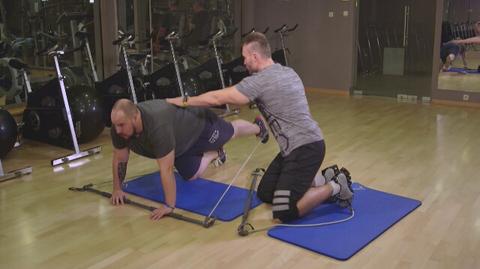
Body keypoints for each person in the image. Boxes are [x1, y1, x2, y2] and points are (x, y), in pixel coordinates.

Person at [167, 32, 353, 222]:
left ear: (255, 56)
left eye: (245, 57)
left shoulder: (260, 81)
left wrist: (183, 101)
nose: (244, 62)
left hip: (305, 149)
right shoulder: (288, 71)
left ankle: (337, 185)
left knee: (283, 212)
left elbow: (217, 98)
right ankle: (320, 179)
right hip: (298, 148)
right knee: (265, 192)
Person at [110, 98, 269, 220]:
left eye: (121, 125)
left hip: (200, 125)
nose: (117, 130)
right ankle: (216, 153)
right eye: (115, 125)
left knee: (230, 132)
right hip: (180, 144)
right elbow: (120, 159)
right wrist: (117, 189)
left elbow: (166, 169)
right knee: (191, 176)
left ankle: (258, 127)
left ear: (135, 117)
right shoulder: (118, 129)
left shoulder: (157, 125)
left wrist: (169, 205)